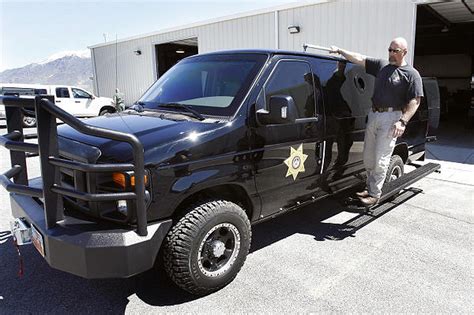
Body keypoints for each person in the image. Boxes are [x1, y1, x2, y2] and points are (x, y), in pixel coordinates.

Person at [329, 37, 423, 206]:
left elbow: (415, 101)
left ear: (404, 52)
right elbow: (359, 58)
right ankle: (369, 186)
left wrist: (402, 121)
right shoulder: (381, 67)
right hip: (373, 115)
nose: (391, 53)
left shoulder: (411, 74)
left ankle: (374, 194)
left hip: (391, 118)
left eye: (395, 51)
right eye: (389, 49)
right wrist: (340, 50)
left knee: (381, 158)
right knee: (368, 157)